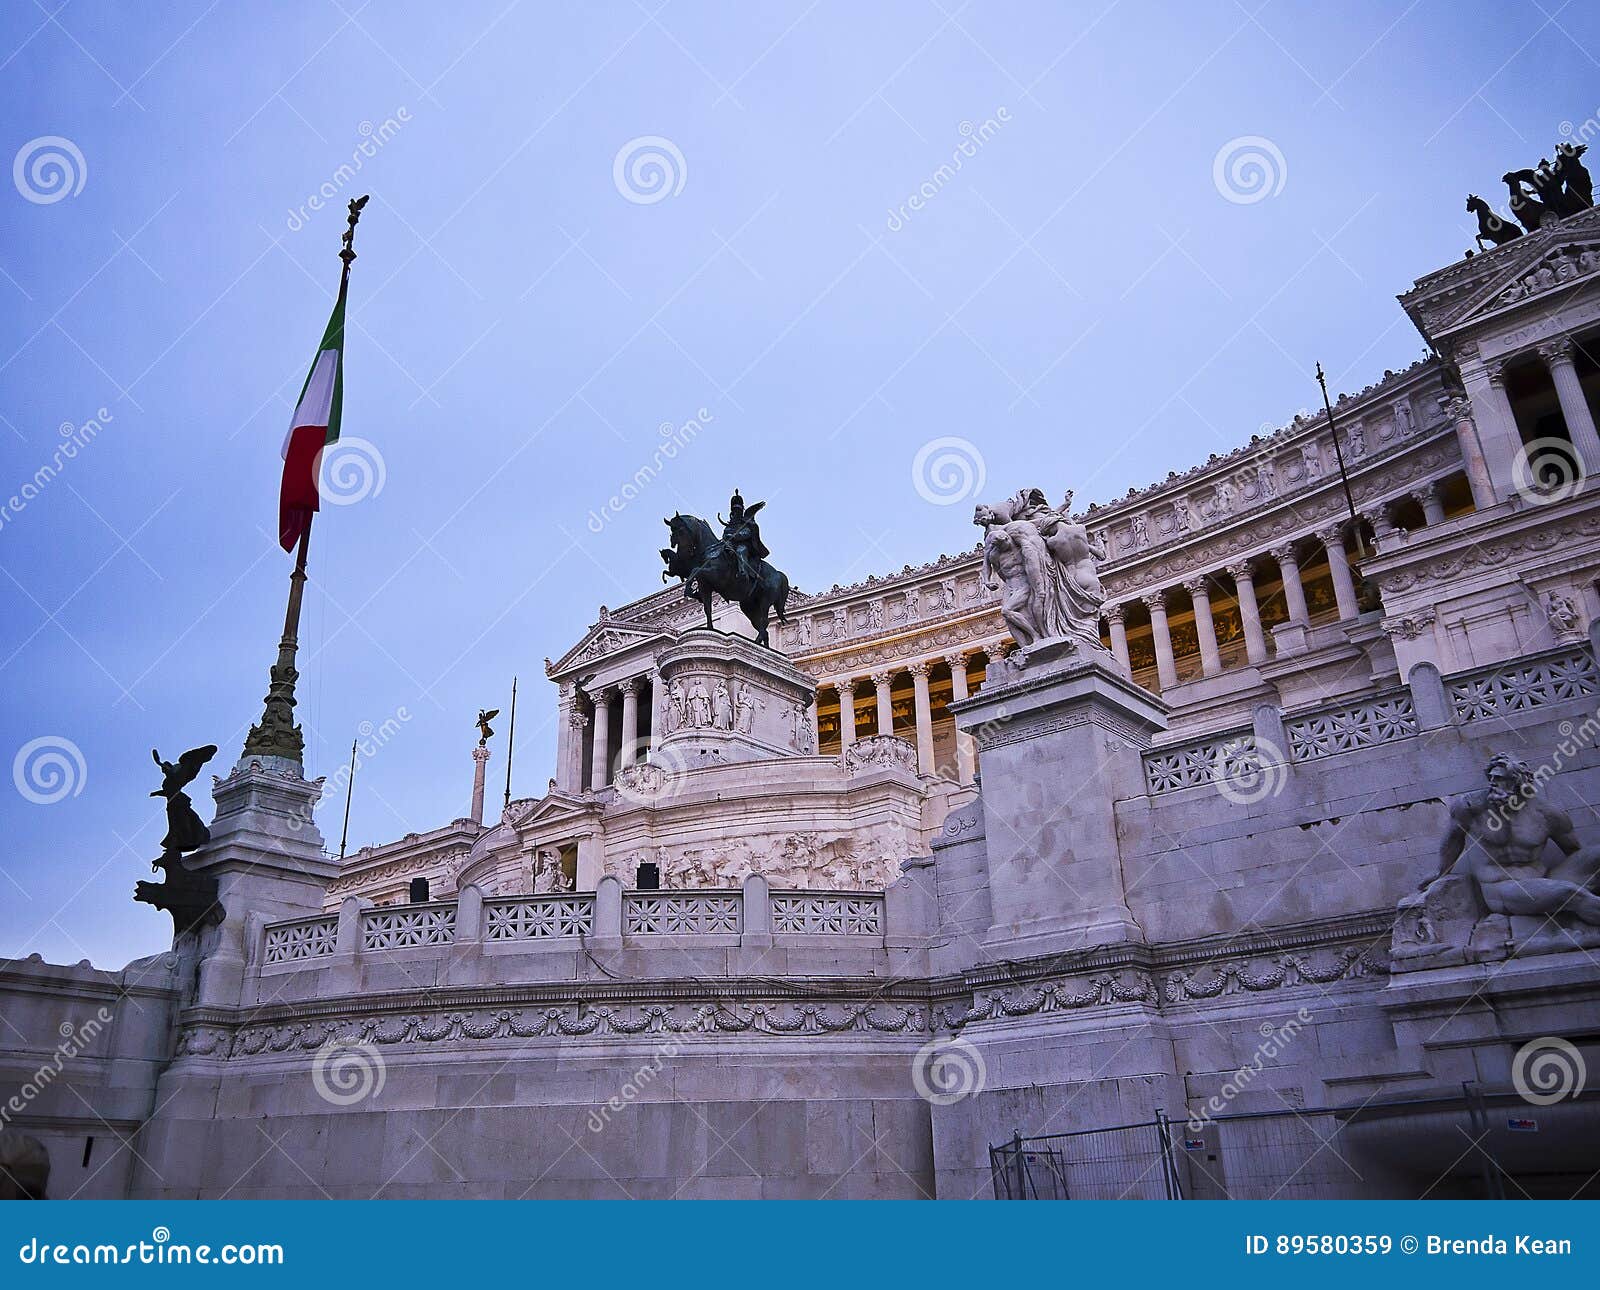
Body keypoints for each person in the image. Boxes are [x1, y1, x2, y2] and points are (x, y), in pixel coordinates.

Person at [720, 489, 769, 584]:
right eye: (735, 510)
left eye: (738, 510)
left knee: (740, 551)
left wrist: (735, 536)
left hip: (744, 545)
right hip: (729, 545)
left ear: (742, 510)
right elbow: (725, 533)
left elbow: (747, 533)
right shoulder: (730, 524)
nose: (736, 512)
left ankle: (743, 573)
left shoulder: (747, 522)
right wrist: (727, 538)